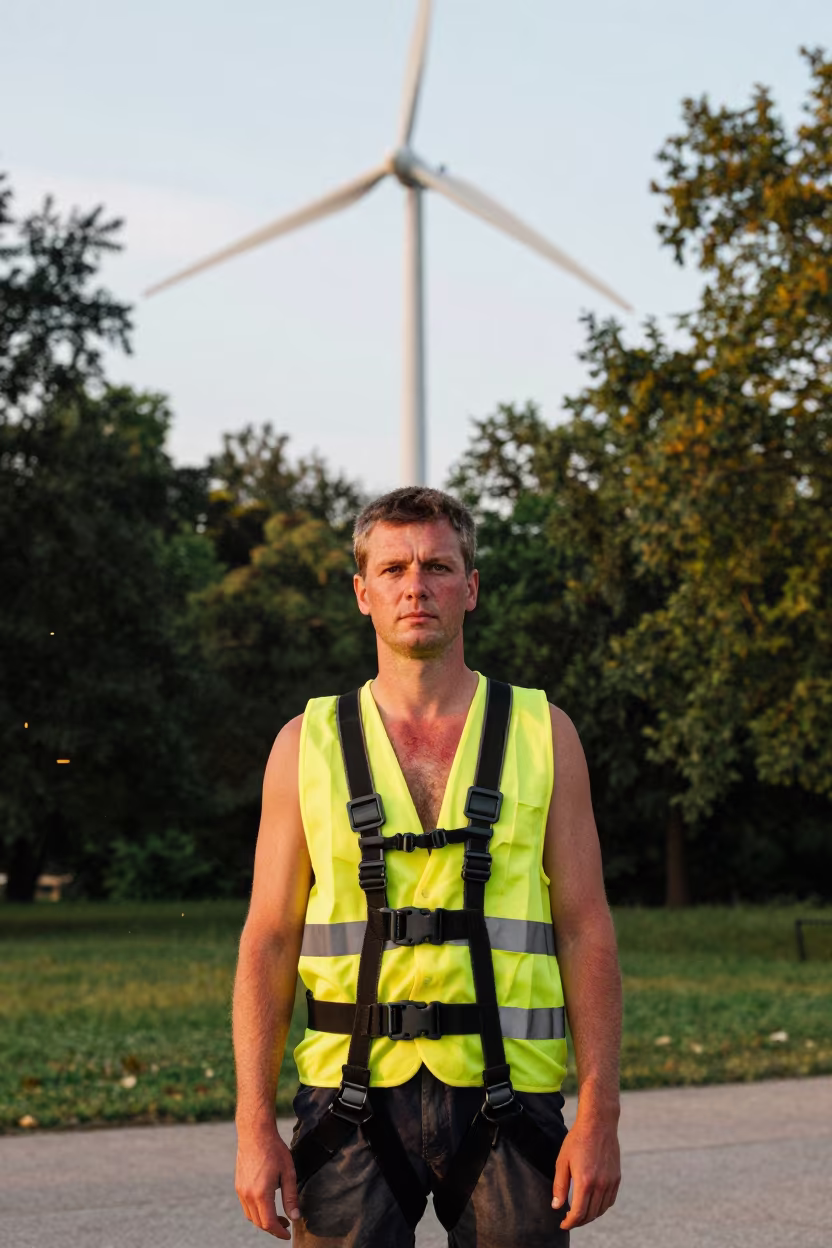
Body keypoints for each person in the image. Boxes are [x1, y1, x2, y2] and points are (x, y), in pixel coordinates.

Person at [233, 486, 622, 1247]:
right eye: (394, 568)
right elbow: (268, 939)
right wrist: (253, 1127)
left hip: (512, 1102)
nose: (417, 585)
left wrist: (601, 1113)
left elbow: (586, 928)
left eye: (439, 566)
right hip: (348, 1099)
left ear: (470, 588)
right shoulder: (303, 744)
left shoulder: (546, 733)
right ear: (363, 592)